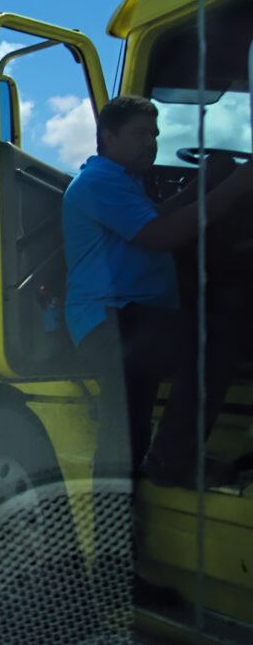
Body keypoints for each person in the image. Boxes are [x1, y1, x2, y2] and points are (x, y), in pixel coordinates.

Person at [63, 95, 253, 488]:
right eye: (139, 134)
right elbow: (162, 234)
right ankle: (174, 460)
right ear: (108, 137)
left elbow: (158, 216)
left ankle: (114, 543)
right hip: (112, 318)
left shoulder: (122, 182)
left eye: (154, 134)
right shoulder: (99, 183)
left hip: (123, 319)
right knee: (212, 338)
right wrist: (235, 186)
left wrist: (205, 182)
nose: (150, 142)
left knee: (124, 441)